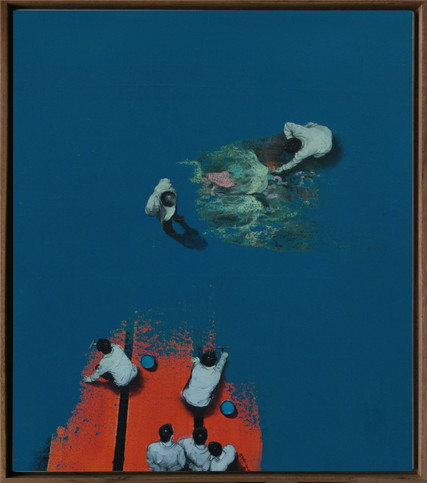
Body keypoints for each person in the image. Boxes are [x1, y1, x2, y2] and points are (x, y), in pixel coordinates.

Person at [181, 349, 228, 428]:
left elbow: (197, 363)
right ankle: (198, 426)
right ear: (214, 361)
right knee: (211, 394)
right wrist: (224, 355)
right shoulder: (217, 375)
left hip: (187, 398)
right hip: (202, 404)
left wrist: (197, 360)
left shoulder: (197, 369)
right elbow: (221, 365)